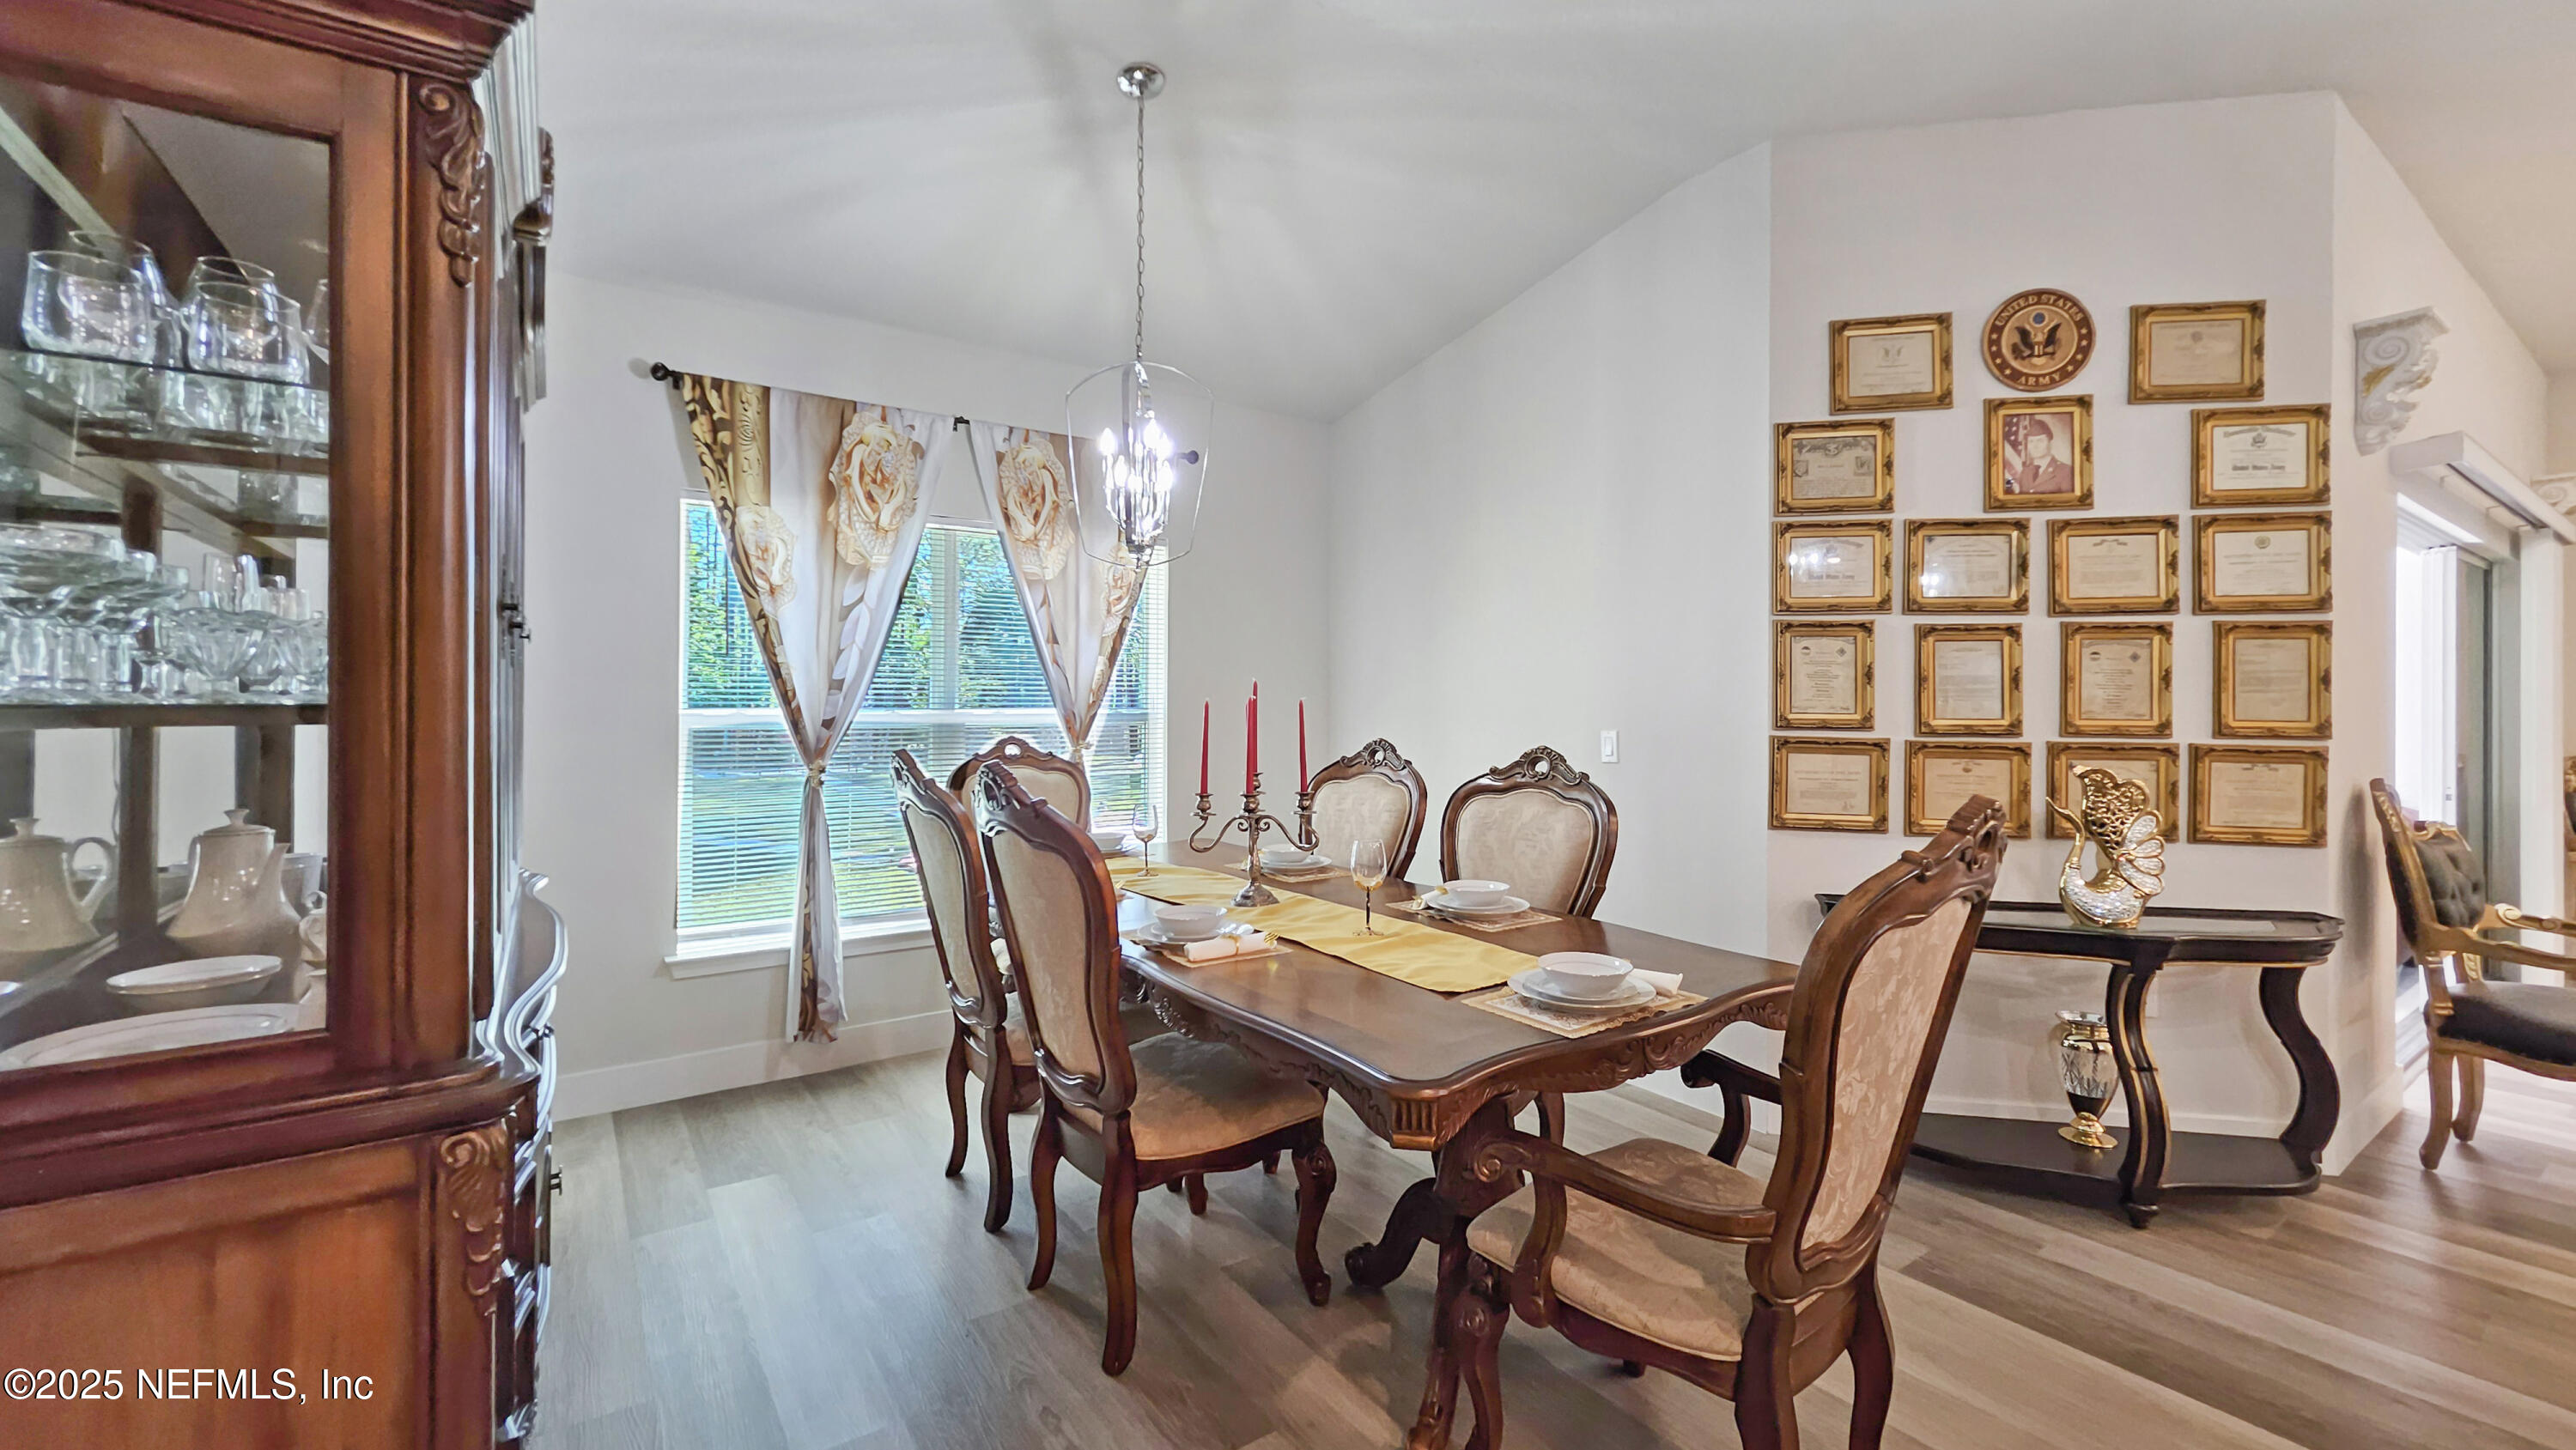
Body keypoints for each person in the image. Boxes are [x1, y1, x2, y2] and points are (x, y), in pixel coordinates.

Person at [2007, 414, 2074, 494]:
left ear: (2049, 443)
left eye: (2040, 441)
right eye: (2031, 441)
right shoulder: (2025, 472)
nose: (2035, 446)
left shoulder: (2066, 471)